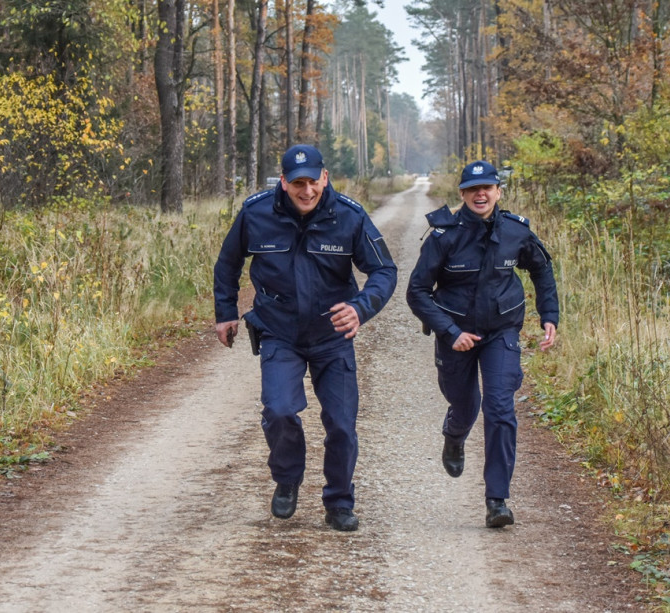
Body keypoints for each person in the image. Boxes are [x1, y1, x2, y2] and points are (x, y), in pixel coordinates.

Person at [213, 144, 397, 532]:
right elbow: (228, 264)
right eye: (297, 183)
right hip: (279, 330)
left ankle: (339, 502)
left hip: (332, 334)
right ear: (283, 182)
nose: (307, 191)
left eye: (313, 181)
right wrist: (225, 313)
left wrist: (361, 308)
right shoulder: (256, 212)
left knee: (342, 424)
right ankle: (287, 478)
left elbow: (384, 271)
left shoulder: (349, 216)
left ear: (324, 178)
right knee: (279, 410)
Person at [406, 160, 559, 528]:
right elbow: (417, 292)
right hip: (455, 335)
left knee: (500, 407)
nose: (481, 194)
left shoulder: (515, 232)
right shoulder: (444, 235)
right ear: (462, 194)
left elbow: (541, 268)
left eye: (487, 188)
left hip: (500, 332)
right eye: (473, 189)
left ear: (498, 192)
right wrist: (449, 331)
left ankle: (497, 500)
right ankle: (454, 436)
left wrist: (549, 313)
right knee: (466, 403)